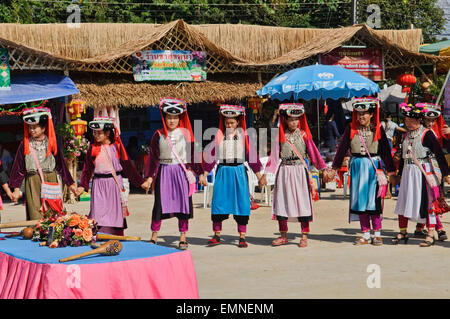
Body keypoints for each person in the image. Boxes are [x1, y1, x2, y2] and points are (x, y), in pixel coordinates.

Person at [330, 97, 396, 246]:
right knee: (361, 202)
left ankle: (377, 234)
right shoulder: (351, 129)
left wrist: (391, 173)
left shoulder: (378, 129)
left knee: (374, 202)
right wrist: (334, 168)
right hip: (357, 168)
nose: (361, 117)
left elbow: (386, 151)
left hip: (373, 167)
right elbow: (341, 150)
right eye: (359, 114)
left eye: (365, 113)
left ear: (372, 114)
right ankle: (366, 233)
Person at [199, 104, 267, 248]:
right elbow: (211, 156)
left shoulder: (244, 137)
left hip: (239, 172)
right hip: (223, 172)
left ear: (237, 122)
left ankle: (242, 237)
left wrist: (260, 176)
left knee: (241, 204)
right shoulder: (218, 136)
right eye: (227, 122)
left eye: (232, 122)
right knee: (218, 203)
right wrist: (204, 174)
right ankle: (216, 235)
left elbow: (251, 157)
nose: (229, 124)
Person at [265, 103, 330, 247]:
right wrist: (265, 174)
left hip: (300, 171)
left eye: (297, 119)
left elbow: (314, 153)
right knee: (282, 202)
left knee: (302, 202)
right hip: (284, 171)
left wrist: (323, 169)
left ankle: (304, 235)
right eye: (291, 119)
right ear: (286, 120)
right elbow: (274, 156)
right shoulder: (280, 136)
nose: (294, 122)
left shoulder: (305, 135)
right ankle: (283, 236)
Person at [77, 107, 150, 236]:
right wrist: (82, 186)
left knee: (115, 213)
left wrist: (140, 182)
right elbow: (87, 169)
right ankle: (98, 237)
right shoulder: (92, 148)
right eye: (95, 132)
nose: (96, 135)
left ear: (108, 133)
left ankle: (117, 237)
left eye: (99, 133)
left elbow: (127, 166)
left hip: (114, 184)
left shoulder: (117, 147)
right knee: (97, 213)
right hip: (99, 185)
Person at [144, 98, 202, 249]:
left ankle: (183, 236)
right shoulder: (158, 134)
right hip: (164, 171)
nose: (172, 120)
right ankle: (154, 234)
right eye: (169, 117)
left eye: (175, 117)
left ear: (179, 118)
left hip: (181, 172)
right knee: (159, 204)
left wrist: (200, 173)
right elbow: (152, 158)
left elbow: (192, 155)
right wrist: (149, 177)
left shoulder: (186, 134)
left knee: (183, 205)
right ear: (164, 117)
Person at [393, 103, 450, 247]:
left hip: (422, 172)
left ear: (418, 121)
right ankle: (403, 231)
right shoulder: (406, 134)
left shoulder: (427, 134)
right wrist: (399, 175)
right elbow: (403, 156)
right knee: (403, 201)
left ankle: (431, 234)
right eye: (406, 121)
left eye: (410, 121)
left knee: (428, 202)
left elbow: (439, 154)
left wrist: (446, 174)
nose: (407, 123)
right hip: (407, 172)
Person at [9, 103, 77, 220]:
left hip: (50, 180)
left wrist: (71, 184)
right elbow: (18, 168)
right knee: (36, 214)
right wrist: (16, 190)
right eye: (30, 127)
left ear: (44, 128)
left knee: (52, 213)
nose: (32, 130)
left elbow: (61, 165)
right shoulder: (24, 144)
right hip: (33, 181)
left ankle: (52, 235)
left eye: (35, 127)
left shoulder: (51, 143)